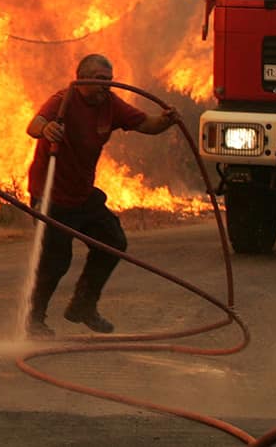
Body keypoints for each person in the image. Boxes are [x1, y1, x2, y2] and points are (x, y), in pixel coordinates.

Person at [23, 54, 177, 338]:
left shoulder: (111, 104)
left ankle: (83, 305)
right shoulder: (63, 100)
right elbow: (34, 125)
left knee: (113, 241)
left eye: (109, 80)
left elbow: (147, 124)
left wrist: (166, 122)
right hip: (51, 196)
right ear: (81, 79)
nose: (105, 86)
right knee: (56, 260)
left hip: (83, 195)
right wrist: (47, 129)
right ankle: (33, 320)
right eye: (99, 80)